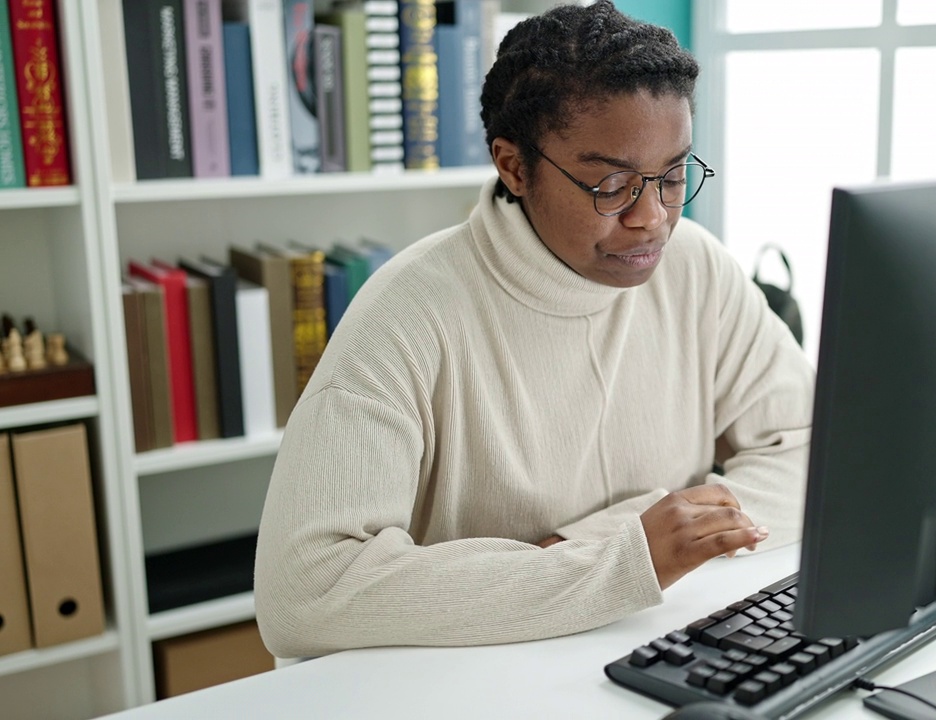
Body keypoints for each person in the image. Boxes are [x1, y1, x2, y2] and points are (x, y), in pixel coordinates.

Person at [254, 1, 814, 658]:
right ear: (514, 166)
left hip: (638, 644)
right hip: (467, 676)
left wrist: (611, 541)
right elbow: (305, 593)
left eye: (671, 176)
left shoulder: (696, 267)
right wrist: (619, 562)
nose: (653, 218)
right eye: (612, 184)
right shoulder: (408, 313)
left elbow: (815, 451)